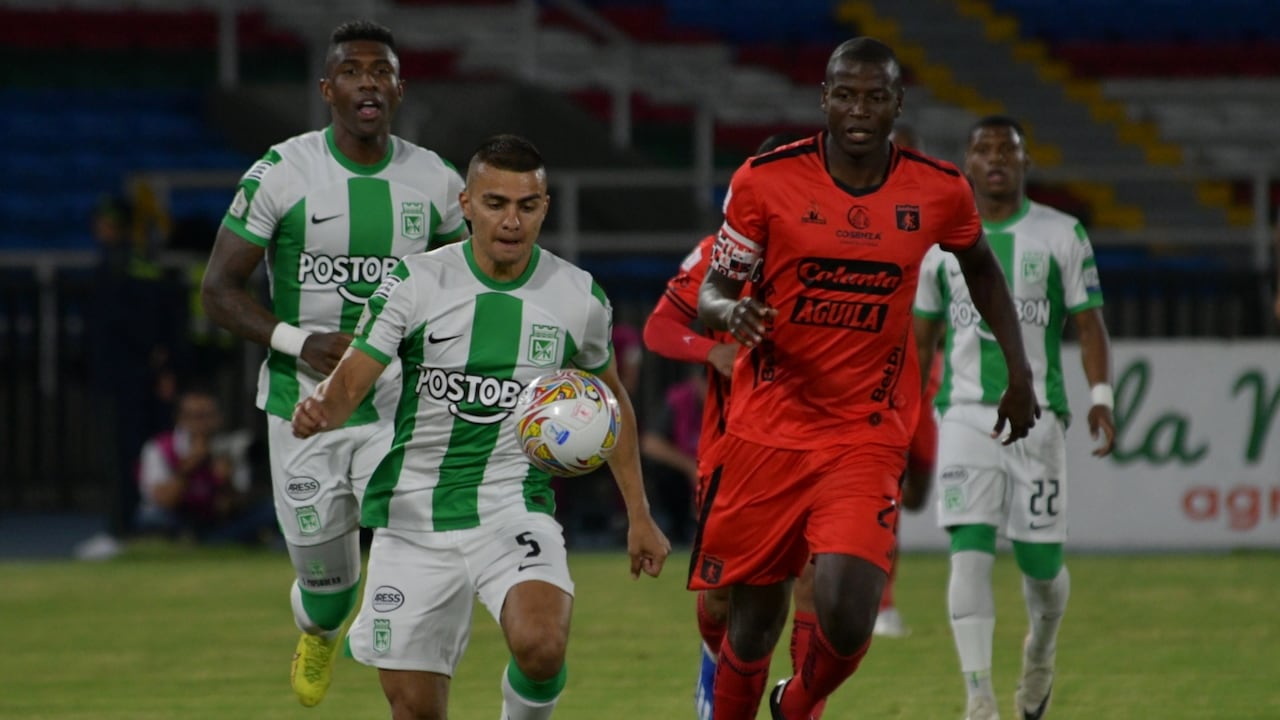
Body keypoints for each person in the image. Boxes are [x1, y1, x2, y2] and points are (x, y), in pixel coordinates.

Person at [693, 37, 1039, 720]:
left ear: (896, 104)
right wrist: (733, 312)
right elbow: (711, 289)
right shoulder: (765, 181)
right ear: (823, 99)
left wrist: (1020, 367)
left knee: (849, 619)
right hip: (769, 431)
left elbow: (982, 270)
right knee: (753, 626)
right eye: (845, 95)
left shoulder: (937, 189)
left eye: (874, 96)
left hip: (864, 433)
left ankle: (797, 703)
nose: (858, 109)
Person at [291, 134, 671, 720]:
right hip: (413, 514)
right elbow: (350, 383)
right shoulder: (413, 284)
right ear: (466, 204)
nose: (511, 221)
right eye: (496, 203)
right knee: (416, 710)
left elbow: (609, 401)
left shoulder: (578, 299)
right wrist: (322, 409)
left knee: (542, 646)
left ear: (545, 207)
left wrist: (640, 515)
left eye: (527, 205)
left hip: (512, 505)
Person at [199, 19, 469, 707]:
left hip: (396, 410)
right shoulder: (282, 172)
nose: (368, 82)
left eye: (381, 71)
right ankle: (320, 630)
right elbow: (217, 291)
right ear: (328, 89)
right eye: (353, 71)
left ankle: (396, 642)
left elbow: (466, 287)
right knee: (328, 590)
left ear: (400, 89)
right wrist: (298, 341)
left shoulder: (435, 182)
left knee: (424, 543)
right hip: (304, 411)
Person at [914, 115, 1116, 720]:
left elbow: (1087, 321)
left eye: (1008, 149)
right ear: (967, 165)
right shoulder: (936, 244)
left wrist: (1101, 395)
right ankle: (978, 696)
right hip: (965, 416)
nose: (996, 158)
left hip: (1040, 423)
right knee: (969, 549)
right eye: (984, 149)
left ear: (1026, 163)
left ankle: (1043, 651)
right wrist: (903, 413)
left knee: (1042, 570)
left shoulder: (1062, 235)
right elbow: (919, 337)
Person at [645, 131, 845, 720]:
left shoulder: (843, 256)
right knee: (722, 600)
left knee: (813, 584)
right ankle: (716, 665)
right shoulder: (719, 255)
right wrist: (711, 353)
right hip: (736, 457)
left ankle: (799, 708)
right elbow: (659, 328)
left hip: (824, 450)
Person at [872, 121, 940, 639]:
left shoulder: (938, 218)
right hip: (872, 382)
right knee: (881, 493)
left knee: (914, 495)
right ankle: (881, 602)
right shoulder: (855, 219)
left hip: (926, 382)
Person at [135, 386, 277, 545]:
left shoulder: (231, 448)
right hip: (178, 519)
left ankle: (212, 543)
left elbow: (232, 507)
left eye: (207, 416)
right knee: (151, 517)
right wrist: (187, 469)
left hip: (216, 522)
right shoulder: (159, 448)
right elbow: (162, 501)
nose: (201, 424)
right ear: (180, 419)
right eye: (194, 417)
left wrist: (225, 483)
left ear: (219, 418)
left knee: (270, 511)